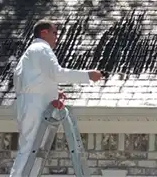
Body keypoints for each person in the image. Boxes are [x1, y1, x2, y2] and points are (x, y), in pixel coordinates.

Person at [9, 19, 103, 176]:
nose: (57, 38)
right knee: (29, 149)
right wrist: (88, 75)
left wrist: (52, 90)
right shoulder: (41, 48)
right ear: (43, 32)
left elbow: (26, 80)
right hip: (35, 105)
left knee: (33, 149)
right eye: (54, 33)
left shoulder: (31, 53)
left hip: (29, 103)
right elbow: (57, 73)